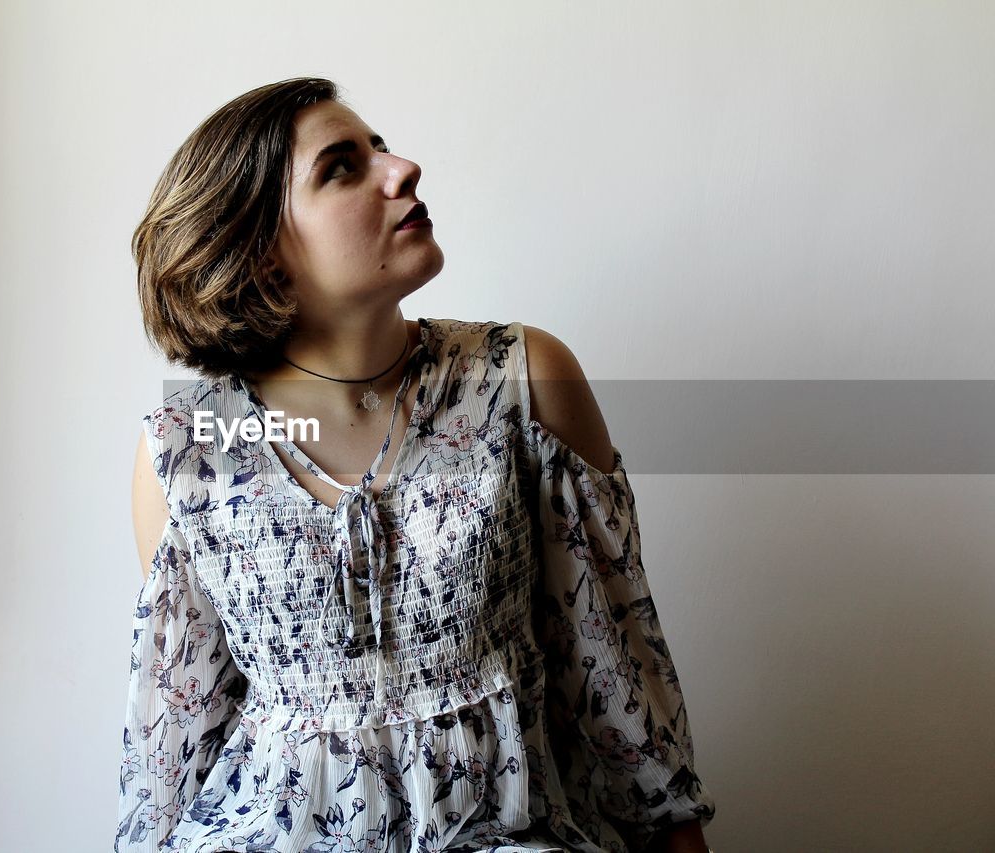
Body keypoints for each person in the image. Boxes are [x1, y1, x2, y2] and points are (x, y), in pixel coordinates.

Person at [117, 77, 716, 853]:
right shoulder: (185, 447)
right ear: (260, 253)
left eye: (381, 147)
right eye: (342, 166)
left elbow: (617, 676)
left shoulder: (522, 379)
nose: (403, 169)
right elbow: (176, 736)